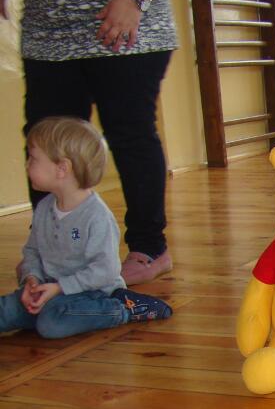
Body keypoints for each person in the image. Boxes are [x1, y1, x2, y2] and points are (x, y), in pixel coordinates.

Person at [0, 0, 184, 286]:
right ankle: (46, 249)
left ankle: (149, 247)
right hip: (48, 32)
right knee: (46, 142)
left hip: (128, 23)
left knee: (130, 136)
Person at [0, 117, 172, 339]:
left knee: (51, 324)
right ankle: (46, 310)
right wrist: (32, 279)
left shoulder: (96, 216)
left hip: (92, 293)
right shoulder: (44, 208)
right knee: (7, 310)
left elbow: (105, 270)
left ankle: (123, 308)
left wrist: (60, 288)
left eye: (33, 158)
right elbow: (32, 251)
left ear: (62, 168)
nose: (26, 165)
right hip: (50, 290)